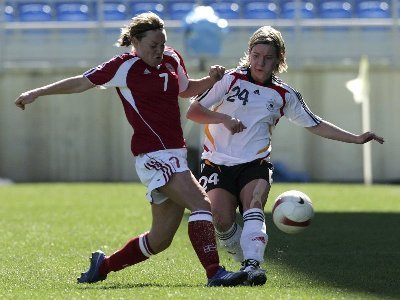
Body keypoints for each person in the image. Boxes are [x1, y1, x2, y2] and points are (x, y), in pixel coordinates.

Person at [14, 12, 248, 287]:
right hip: (153, 156)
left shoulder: (172, 58)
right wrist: (37, 92)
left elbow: (185, 89)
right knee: (202, 205)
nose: (159, 51)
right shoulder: (124, 66)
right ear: (135, 42)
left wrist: (210, 80)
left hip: (176, 155)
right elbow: (81, 82)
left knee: (159, 240)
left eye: (162, 44)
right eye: (153, 46)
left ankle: (104, 265)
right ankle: (215, 273)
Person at [186, 25, 385, 286]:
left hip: (255, 163)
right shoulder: (229, 79)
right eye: (256, 55)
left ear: (278, 59)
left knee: (254, 204)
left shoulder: (284, 94)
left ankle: (253, 266)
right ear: (249, 54)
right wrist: (223, 118)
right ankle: (242, 258)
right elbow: (194, 112)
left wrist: (356, 138)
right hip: (216, 163)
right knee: (221, 221)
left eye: (268, 58)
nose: (260, 62)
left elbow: (315, 123)